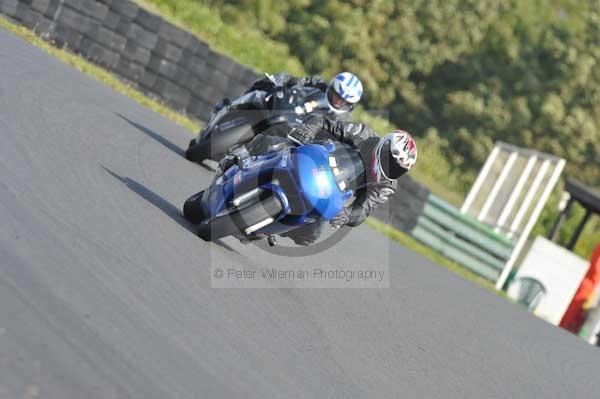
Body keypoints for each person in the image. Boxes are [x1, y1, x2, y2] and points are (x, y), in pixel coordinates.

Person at [218, 113, 417, 246]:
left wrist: (347, 215)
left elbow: (364, 208)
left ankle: (267, 228)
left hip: (328, 189)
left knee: (311, 234)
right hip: (312, 156)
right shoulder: (363, 135)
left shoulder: (386, 185)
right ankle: (239, 157)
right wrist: (309, 130)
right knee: (273, 143)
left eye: (398, 168)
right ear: (383, 146)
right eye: (390, 160)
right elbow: (324, 121)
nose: (391, 168)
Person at [219, 72, 364, 121]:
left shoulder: (341, 121)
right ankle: (230, 106)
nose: (338, 101)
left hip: (296, 133)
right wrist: (289, 82)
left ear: (350, 105)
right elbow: (301, 80)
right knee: (261, 90)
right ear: (331, 87)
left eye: (343, 101)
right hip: (287, 108)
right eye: (336, 95)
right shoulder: (319, 84)